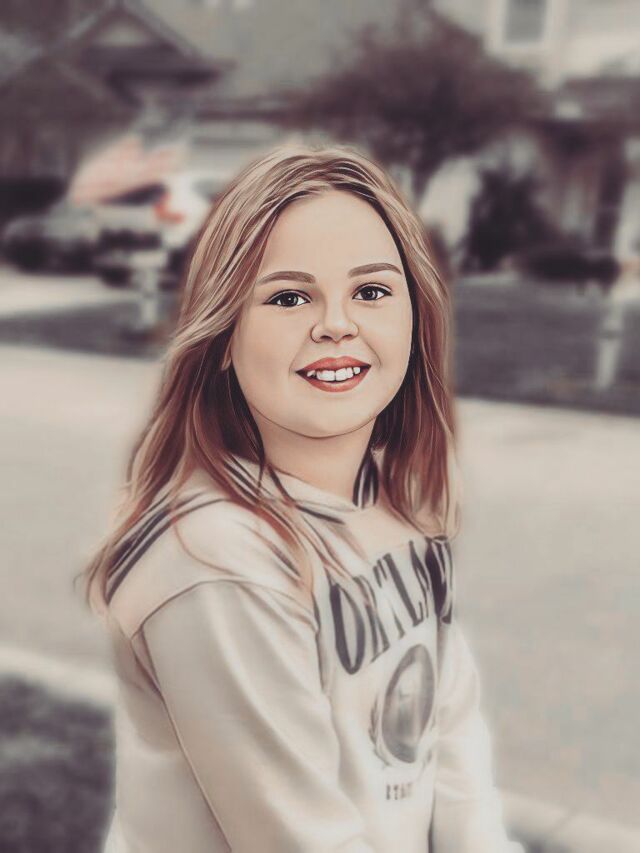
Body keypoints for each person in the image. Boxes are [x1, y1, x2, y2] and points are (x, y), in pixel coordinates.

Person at [83, 141, 524, 852]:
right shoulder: (214, 562)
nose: (336, 324)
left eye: (371, 291)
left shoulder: (394, 504)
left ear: (416, 317)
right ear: (222, 336)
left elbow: (451, 743)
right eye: (289, 297)